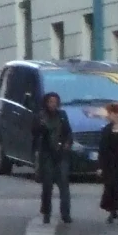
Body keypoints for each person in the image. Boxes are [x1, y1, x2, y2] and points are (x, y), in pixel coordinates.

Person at [34, 91, 75, 225]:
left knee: (64, 185)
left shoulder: (62, 115)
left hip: (61, 154)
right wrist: (40, 126)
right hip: (47, 154)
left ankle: (66, 213)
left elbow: (68, 132)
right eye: (50, 102)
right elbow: (34, 133)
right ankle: (46, 212)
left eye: (55, 102)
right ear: (46, 103)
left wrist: (67, 144)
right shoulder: (41, 116)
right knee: (47, 185)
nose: (53, 104)